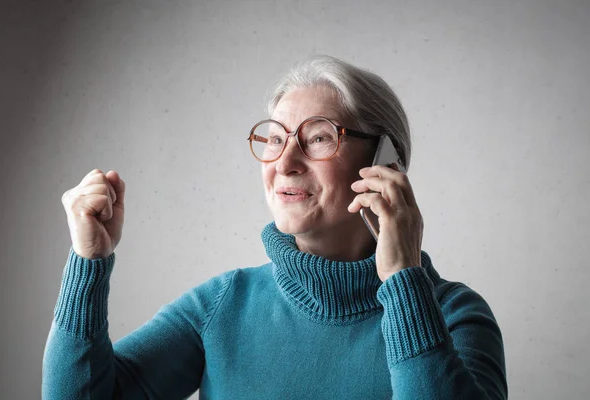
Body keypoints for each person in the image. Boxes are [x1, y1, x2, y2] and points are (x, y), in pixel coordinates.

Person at [42, 55, 508, 399]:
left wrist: (404, 280)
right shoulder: (222, 305)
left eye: (319, 137)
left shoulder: (454, 315)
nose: (284, 163)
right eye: (274, 139)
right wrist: (88, 264)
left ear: (386, 164)